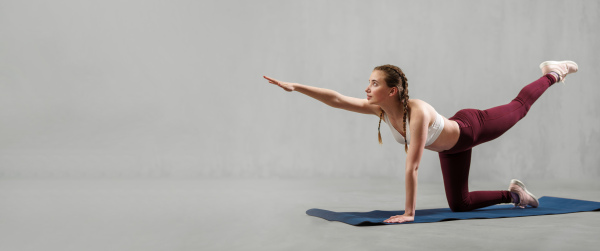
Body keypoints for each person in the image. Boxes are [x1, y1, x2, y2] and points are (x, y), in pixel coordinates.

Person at [263, 61, 578, 223]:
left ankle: (553, 72)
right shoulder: (380, 108)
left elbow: (412, 168)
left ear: (392, 91)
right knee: (460, 204)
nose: (367, 88)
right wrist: (295, 87)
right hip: (452, 149)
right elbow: (335, 99)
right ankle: (514, 195)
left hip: (471, 127)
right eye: (368, 82)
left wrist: (409, 212)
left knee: (519, 108)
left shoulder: (416, 114)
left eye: (374, 83)